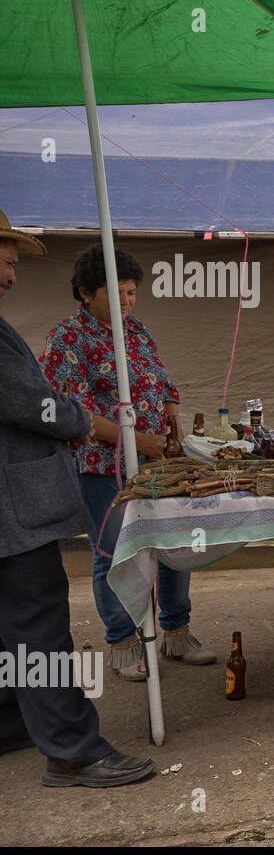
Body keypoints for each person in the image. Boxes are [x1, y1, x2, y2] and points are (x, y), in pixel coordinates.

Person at [0, 212, 155, 787]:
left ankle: (15, 721)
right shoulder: (51, 338)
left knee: (12, 626)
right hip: (15, 511)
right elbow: (32, 401)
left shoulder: (135, 334)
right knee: (38, 624)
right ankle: (72, 749)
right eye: (10, 260)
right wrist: (80, 420)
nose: (13, 275)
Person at [41, 245, 216, 680]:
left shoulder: (135, 331)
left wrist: (171, 415)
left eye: (132, 292)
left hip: (156, 457)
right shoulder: (68, 339)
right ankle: (123, 642)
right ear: (85, 292)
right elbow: (77, 413)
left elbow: (161, 379)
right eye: (116, 293)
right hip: (102, 465)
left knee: (173, 540)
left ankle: (176, 630)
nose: (126, 301)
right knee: (114, 551)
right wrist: (143, 443)